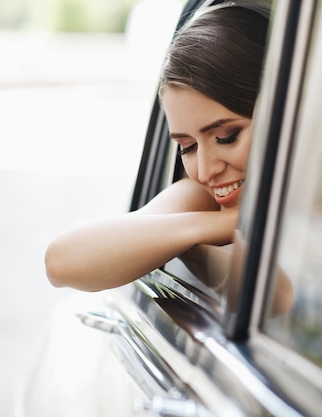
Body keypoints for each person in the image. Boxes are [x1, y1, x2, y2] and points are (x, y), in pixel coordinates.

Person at [45, 4, 293, 315]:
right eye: (187, 147)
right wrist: (220, 225)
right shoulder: (205, 200)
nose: (205, 170)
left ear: (285, 112)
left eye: (226, 137)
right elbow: (62, 260)